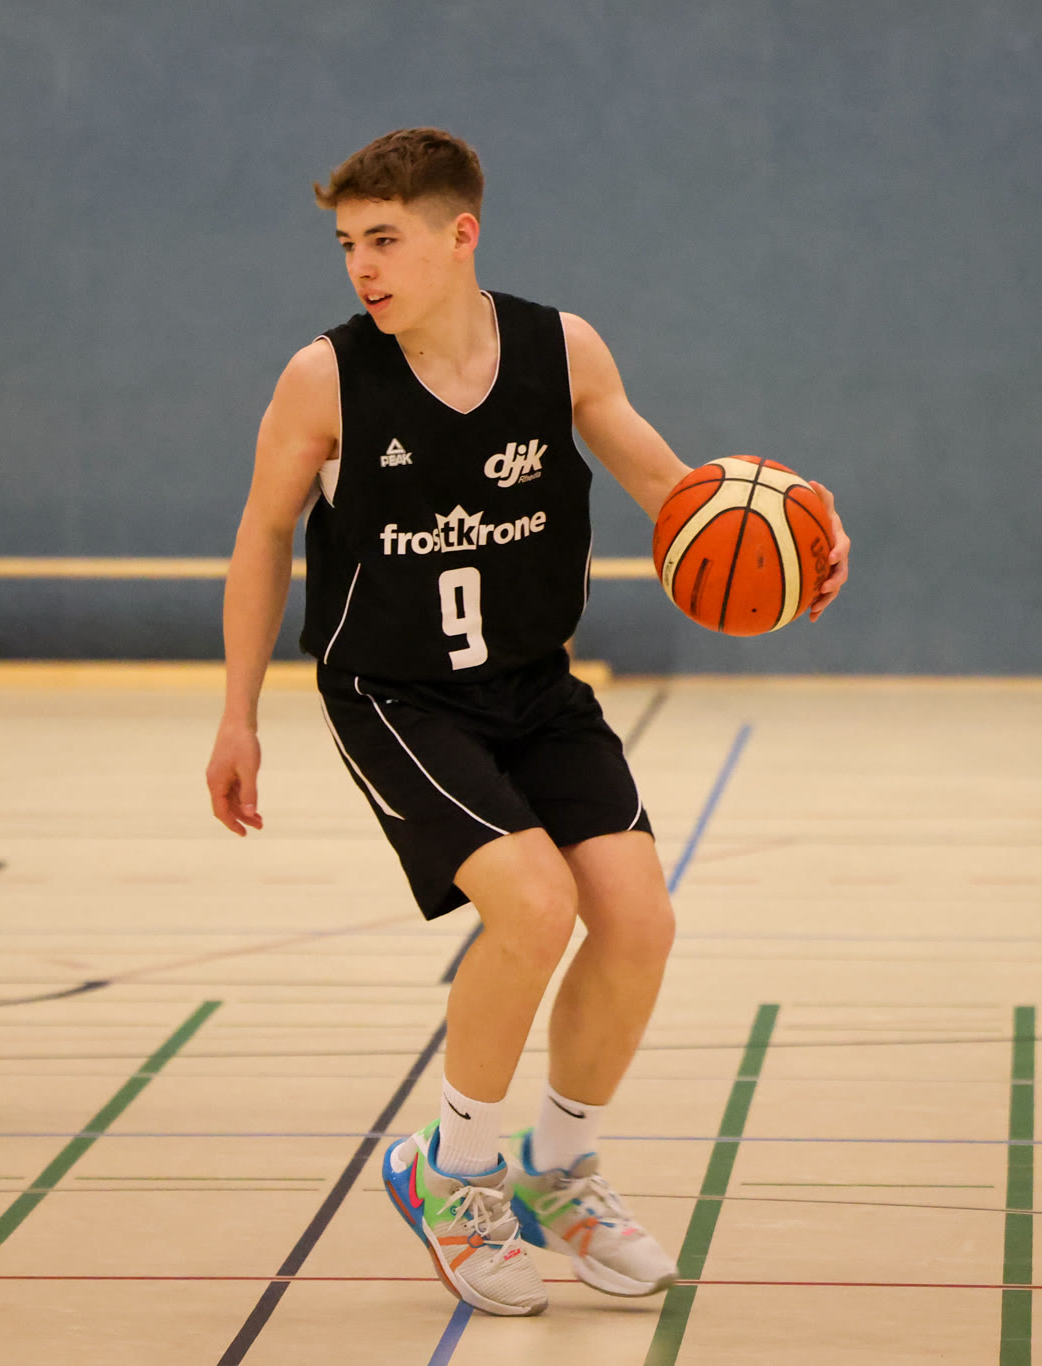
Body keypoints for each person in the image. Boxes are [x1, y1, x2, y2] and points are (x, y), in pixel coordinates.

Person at [204, 127, 850, 1317]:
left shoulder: (561, 350)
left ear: (460, 235)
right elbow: (261, 535)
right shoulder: (325, 378)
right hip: (395, 694)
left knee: (638, 921)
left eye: (383, 240)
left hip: (532, 685)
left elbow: (674, 493)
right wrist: (235, 713)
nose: (360, 266)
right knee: (534, 905)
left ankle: (557, 1168)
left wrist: (793, 529)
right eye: (346, 244)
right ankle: (450, 1175)